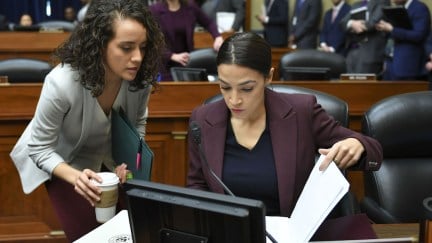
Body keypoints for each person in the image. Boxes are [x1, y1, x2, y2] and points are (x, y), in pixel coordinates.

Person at [9, 0, 164, 241]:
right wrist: (76, 177)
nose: (138, 58)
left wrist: (128, 162)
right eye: (126, 47)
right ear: (100, 45)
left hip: (108, 160)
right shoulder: (61, 82)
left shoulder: (139, 79)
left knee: (126, 232)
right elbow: (39, 148)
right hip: (63, 160)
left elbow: (137, 125)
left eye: (143, 47)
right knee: (87, 236)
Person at [186, 32, 383, 217]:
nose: (234, 100)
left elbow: (373, 151)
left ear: (268, 77)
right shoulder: (202, 120)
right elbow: (197, 185)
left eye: (247, 89)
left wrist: (358, 145)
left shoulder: (301, 112)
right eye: (225, 87)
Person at [150, 0, 223, 81]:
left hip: (188, 63)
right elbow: (152, 41)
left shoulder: (190, 6)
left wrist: (217, 37)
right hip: (166, 66)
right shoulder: (154, 10)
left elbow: (208, 23)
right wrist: (172, 56)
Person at [375, 0, 431, 81]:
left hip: (408, 66)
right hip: (391, 64)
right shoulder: (397, 8)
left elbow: (419, 35)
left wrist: (392, 30)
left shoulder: (419, 8)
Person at [341, 0, 390, 75]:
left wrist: (358, 25)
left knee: (364, 86)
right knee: (349, 85)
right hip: (351, 54)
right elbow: (343, 22)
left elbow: (373, 23)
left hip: (369, 54)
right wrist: (352, 23)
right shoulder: (356, 4)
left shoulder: (383, 2)